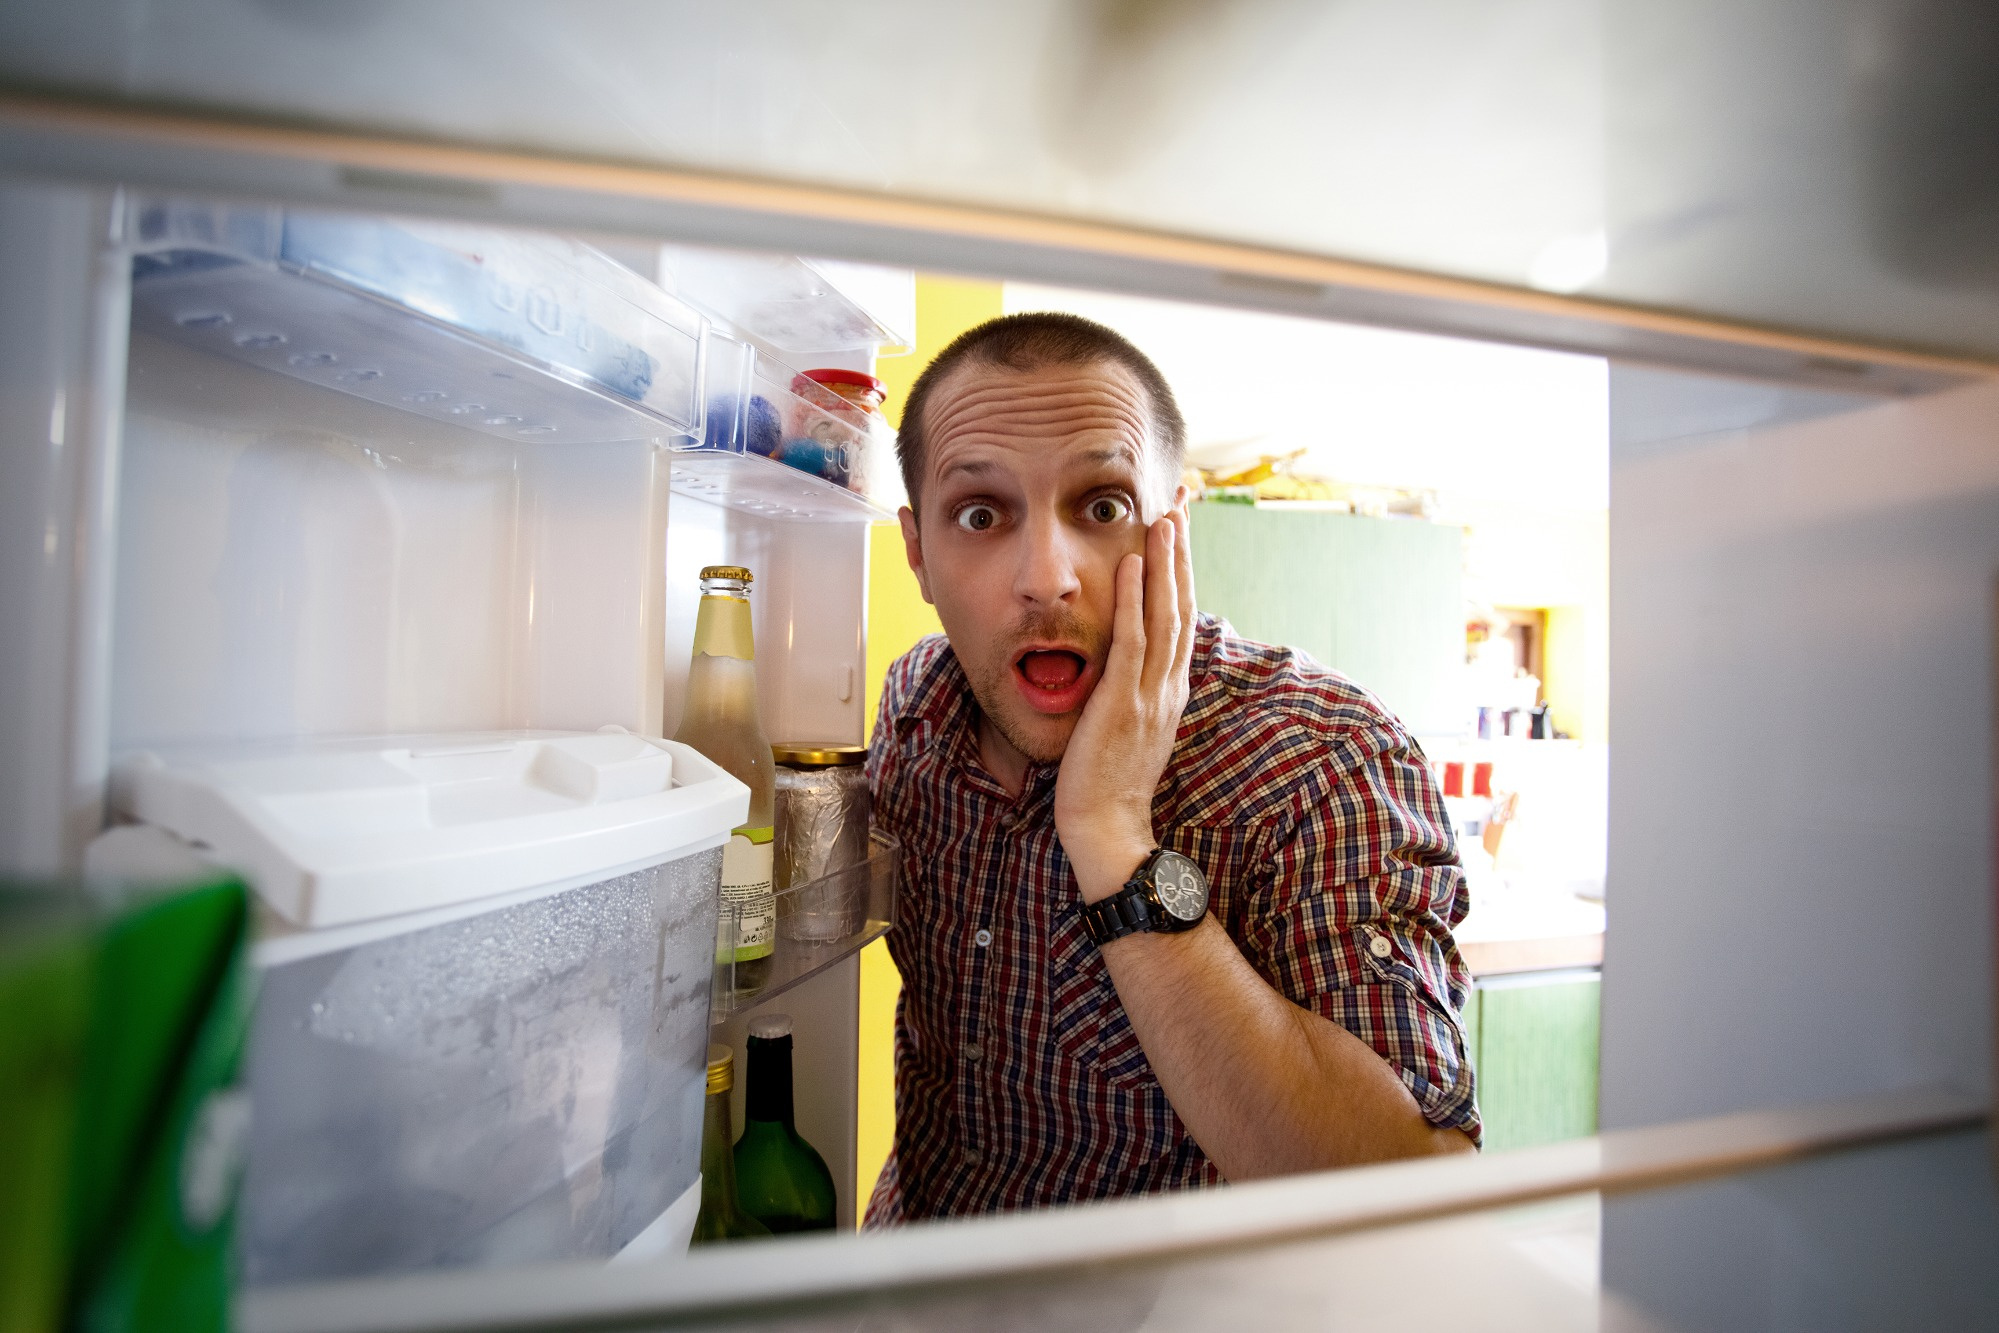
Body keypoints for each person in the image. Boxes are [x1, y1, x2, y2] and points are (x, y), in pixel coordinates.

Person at [867, 312, 1477, 1225]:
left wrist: (1112, 830)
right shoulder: (918, 704)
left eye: (1102, 506)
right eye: (981, 514)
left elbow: (1412, 1197)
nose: (1047, 575)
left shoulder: (1319, 755)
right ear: (917, 552)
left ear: (1172, 530)